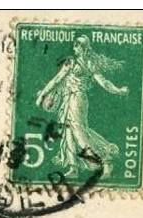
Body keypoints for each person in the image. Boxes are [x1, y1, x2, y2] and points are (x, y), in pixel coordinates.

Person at [35, 36, 129, 178]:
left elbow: (103, 82)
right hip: (68, 99)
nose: (77, 47)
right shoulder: (70, 62)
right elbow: (57, 79)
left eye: (80, 45)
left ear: (85, 48)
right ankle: (73, 167)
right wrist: (43, 95)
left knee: (79, 132)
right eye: (76, 45)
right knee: (68, 132)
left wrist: (118, 91)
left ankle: (105, 161)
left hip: (77, 99)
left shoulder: (89, 63)